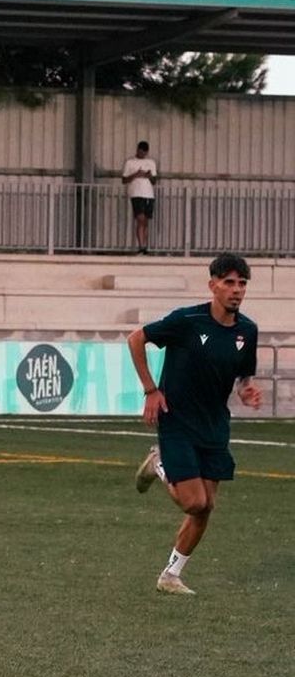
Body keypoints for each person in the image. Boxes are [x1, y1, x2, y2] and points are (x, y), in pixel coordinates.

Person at [129, 252, 261, 596]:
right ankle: (159, 462)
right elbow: (136, 338)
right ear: (212, 285)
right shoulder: (187, 320)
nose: (236, 290)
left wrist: (246, 389)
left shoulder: (248, 331)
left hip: (214, 425)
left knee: (207, 507)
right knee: (193, 502)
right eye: (229, 282)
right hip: (177, 419)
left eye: (242, 283)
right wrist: (151, 390)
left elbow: (243, 371)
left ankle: (170, 576)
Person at [121, 140, 159, 255]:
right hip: (136, 193)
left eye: (144, 152)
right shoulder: (130, 162)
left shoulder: (151, 163)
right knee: (140, 219)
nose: (142, 154)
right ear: (137, 150)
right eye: (140, 151)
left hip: (148, 194)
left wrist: (148, 175)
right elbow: (124, 180)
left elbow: (154, 181)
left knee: (145, 221)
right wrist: (136, 174)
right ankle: (141, 246)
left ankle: (144, 246)